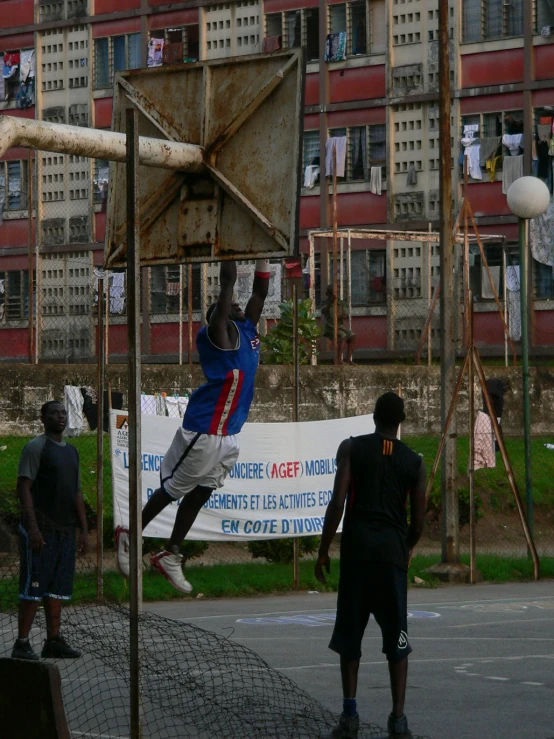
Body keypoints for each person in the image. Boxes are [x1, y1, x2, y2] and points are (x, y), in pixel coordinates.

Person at [115, 259, 270, 593]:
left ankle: (171, 554)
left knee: (202, 492)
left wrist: (264, 254)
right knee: (173, 491)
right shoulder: (219, 337)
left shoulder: (247, 330)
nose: (238, 305)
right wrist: (227, 246)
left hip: (229, 435)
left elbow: (259, 291)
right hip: (204, 429)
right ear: (221, 317)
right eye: (229, 307)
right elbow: (227, 287)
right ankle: (131, 533)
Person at [315, 392, 426, 739]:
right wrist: (404, 548)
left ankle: (350, 714)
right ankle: (398, 718)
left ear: (373, 417)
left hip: (358, 553)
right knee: (398, 640)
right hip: (391, 556)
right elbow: (419, 521)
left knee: (350, 635)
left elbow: (337, 503)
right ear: (400, 421)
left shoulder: (351, 448)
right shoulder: (415, 462)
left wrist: (322, 550)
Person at [12, 400, 88, 661]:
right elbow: (23, 488)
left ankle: (53, 640)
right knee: (34, 586)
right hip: (40, 530)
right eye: (54, 413)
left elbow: (77, 493)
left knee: (57, 587)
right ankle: (21, 642)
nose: (61, 417)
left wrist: (84, 530)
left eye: (64, 413)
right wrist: (32, 528)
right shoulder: (36, 447)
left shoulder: (73, 452)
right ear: (43, 418)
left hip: (64, 530)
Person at [321, 284, 356, 364]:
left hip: (340, 327)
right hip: (330, 328)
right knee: (343, 335)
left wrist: (343, 315)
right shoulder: (325, 302)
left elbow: (345, 313)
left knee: (352, 335)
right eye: (332, 293)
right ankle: (339, 359)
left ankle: (348, 359)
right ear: (328, 294)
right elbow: (324, 311)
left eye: (337, 293)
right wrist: (330, 303)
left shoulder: (341, 303)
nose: (335, 296)